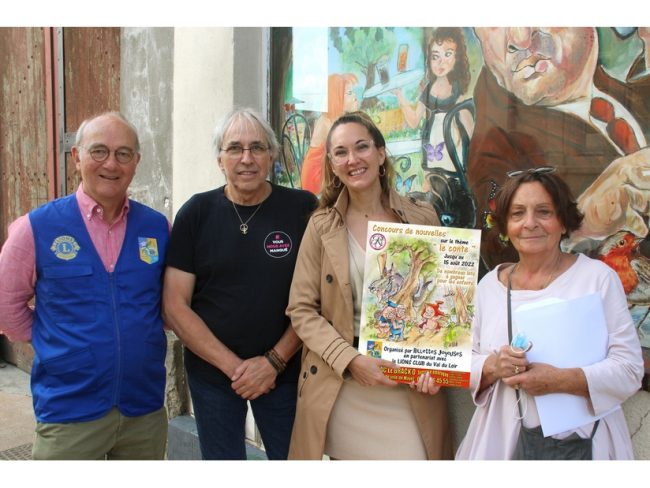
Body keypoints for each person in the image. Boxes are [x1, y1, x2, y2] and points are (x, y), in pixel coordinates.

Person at [0, 112, 169, 460]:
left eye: (123, 153)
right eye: (99, 151)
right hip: (69, 411)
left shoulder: (157, 227)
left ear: (136, 162)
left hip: (144, 409)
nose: (111, 163)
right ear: (77, 157)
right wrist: (53, 341)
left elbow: (170, 304)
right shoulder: (36, 227)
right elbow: (6, 304)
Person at [286, 111, 453, 460]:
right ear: (332, 165)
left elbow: (442, 300)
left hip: (408, 387)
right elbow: (301, 310)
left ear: (380, 153)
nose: (353, 159)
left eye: (361, 147)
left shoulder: (423, 217)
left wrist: (437, 366)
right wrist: (350, 360)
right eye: (341, 152)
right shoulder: (321, 226)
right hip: (345, 385)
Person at [456, 166, 643, 460]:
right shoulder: (489, 287)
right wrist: (493, 365)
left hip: (585, 444)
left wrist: (560, 380)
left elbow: (630, 369)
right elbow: (461, 361)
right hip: (500, 441)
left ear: (563, 222)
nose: (530, 223)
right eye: (517, 214)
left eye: (543, 212)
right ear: (505, 226)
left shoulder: (597, 279)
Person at [162, 108, 317, 460]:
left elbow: (318, 297)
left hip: (285, 372)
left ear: (272, 155)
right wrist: (237, 369)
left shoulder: (303, 209)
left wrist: (272, 363)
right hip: (213, 375)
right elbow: (174, 305)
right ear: (220, 159)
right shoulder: (196, 213)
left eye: (257, 147)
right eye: (234, 148)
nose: (246, 158)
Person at [300, 73, 359, 195]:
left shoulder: (336, 119)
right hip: (317, 177)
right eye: (349, 93)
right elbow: (342, 154)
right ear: (337, 97)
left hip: (328, 171)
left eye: (353, 92)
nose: (354, 96)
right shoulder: (328, 123)